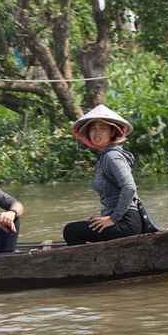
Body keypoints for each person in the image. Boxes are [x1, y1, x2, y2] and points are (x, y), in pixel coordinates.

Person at [62, 105, 143, 245]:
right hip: (121, 219)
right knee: (87, 224)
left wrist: (113, 219)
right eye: (93, 128)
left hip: (126, 222)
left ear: (112, 132)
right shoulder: (103, 156)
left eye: (102, 128)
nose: (97, 133)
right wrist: (106, 216)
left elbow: (129, 188)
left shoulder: (112, 157)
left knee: (71, 230)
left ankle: (87, 265)